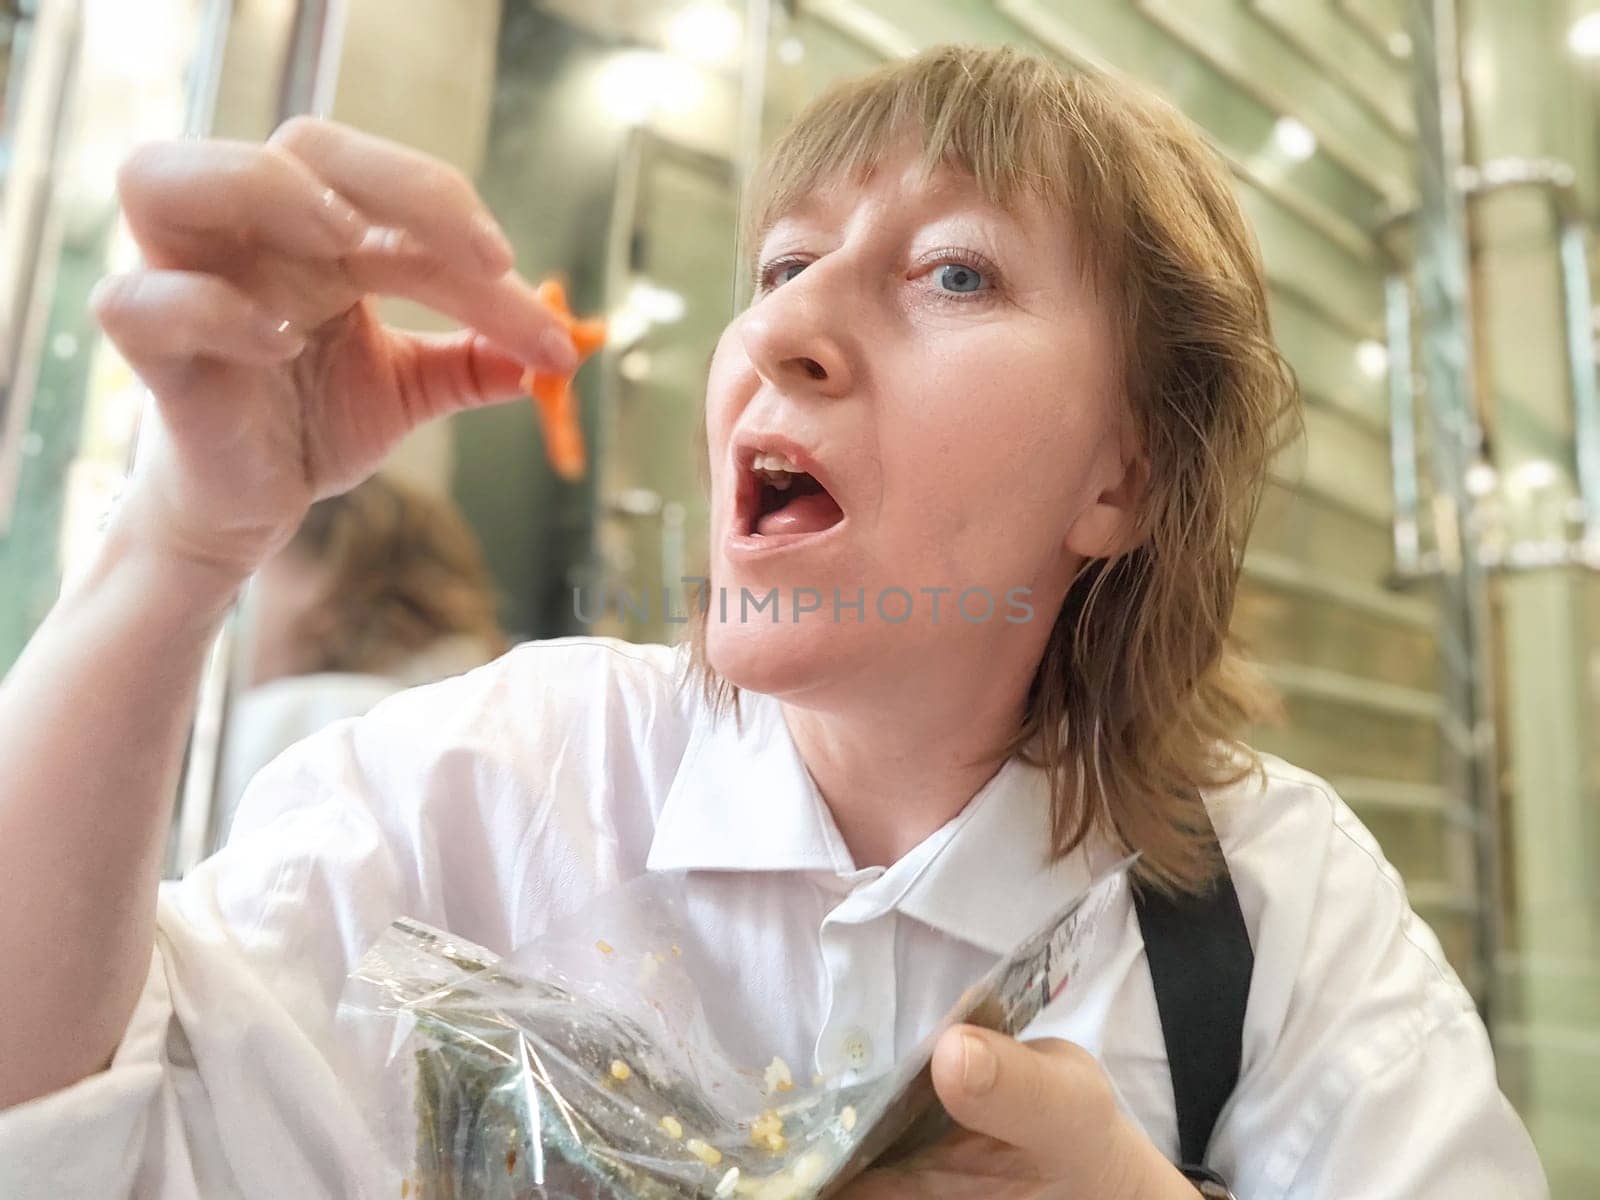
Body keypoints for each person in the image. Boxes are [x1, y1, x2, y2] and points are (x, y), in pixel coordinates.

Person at [0, 43, 1547, 1199]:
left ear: (1122, 479)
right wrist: (174, 551)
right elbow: (76, 1139)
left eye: (955, 271)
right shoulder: (493, 785)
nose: (786, 328)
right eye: (786, 263)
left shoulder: (1271, 914)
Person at [215, 473, 508, 844]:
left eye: (249, 575)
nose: (226, 607)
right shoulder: (466, 722)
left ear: (331, 580)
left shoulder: (298, 725)